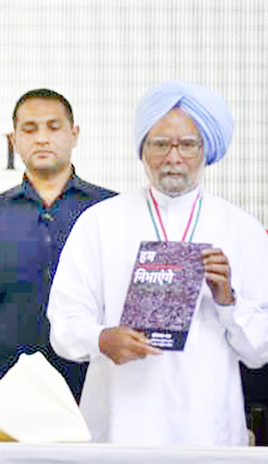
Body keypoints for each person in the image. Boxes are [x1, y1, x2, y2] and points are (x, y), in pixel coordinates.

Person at [47, 80, 268, 445]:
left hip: (207, 430)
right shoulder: (100, 222)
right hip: (119, 425)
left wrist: (228, 300)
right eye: (160, 144)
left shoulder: (241, 229)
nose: (173, 157)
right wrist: (101, 338)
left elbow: (258, 351)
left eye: (188, 144)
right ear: (142, 150)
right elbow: (64, 326)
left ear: (206, 150)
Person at [0, 89, 115, 399]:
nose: (42, 138)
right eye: (30, 129)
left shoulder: (110, 210)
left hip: (92, 387)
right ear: (14, 139)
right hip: (1, 388)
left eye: (54, 127)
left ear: (74, 134)